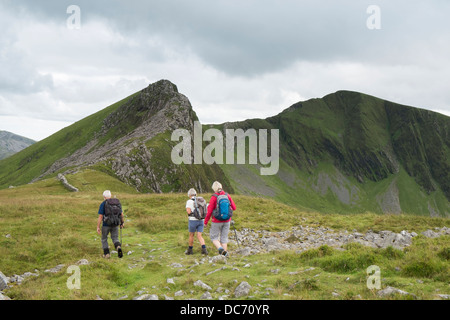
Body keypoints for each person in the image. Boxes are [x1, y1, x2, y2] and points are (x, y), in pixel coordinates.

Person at [204, 181, 237, 257]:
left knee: (214, 237)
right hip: (227, 220)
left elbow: (209, 211)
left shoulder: (214, 197)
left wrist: (205, 222)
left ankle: (220, 249)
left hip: (216, 221)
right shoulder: (227, 195)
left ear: (214, 189)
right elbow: (234, 207)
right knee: (224, 238)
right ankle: (224, 255)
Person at [97, 190, 124, 258]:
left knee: (104, 239)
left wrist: (98, 226)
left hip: (106, 224)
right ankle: (118, 247)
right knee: (115, 238)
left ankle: (107, 254)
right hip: (115, 224)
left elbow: (100, 216)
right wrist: (122, 223)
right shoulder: (117, 203)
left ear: (104, 197)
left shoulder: (103, 204)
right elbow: (121, 214)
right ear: (110, 195)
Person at [185, 188, 208, 255]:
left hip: (193, 220)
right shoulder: (201, 200)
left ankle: (190, 250)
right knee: (199, 236)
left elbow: (188, 211)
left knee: (191, 235)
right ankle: (204, 250)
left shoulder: (189, 201)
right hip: (201, 220)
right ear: (196, 194)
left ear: (189, 195)